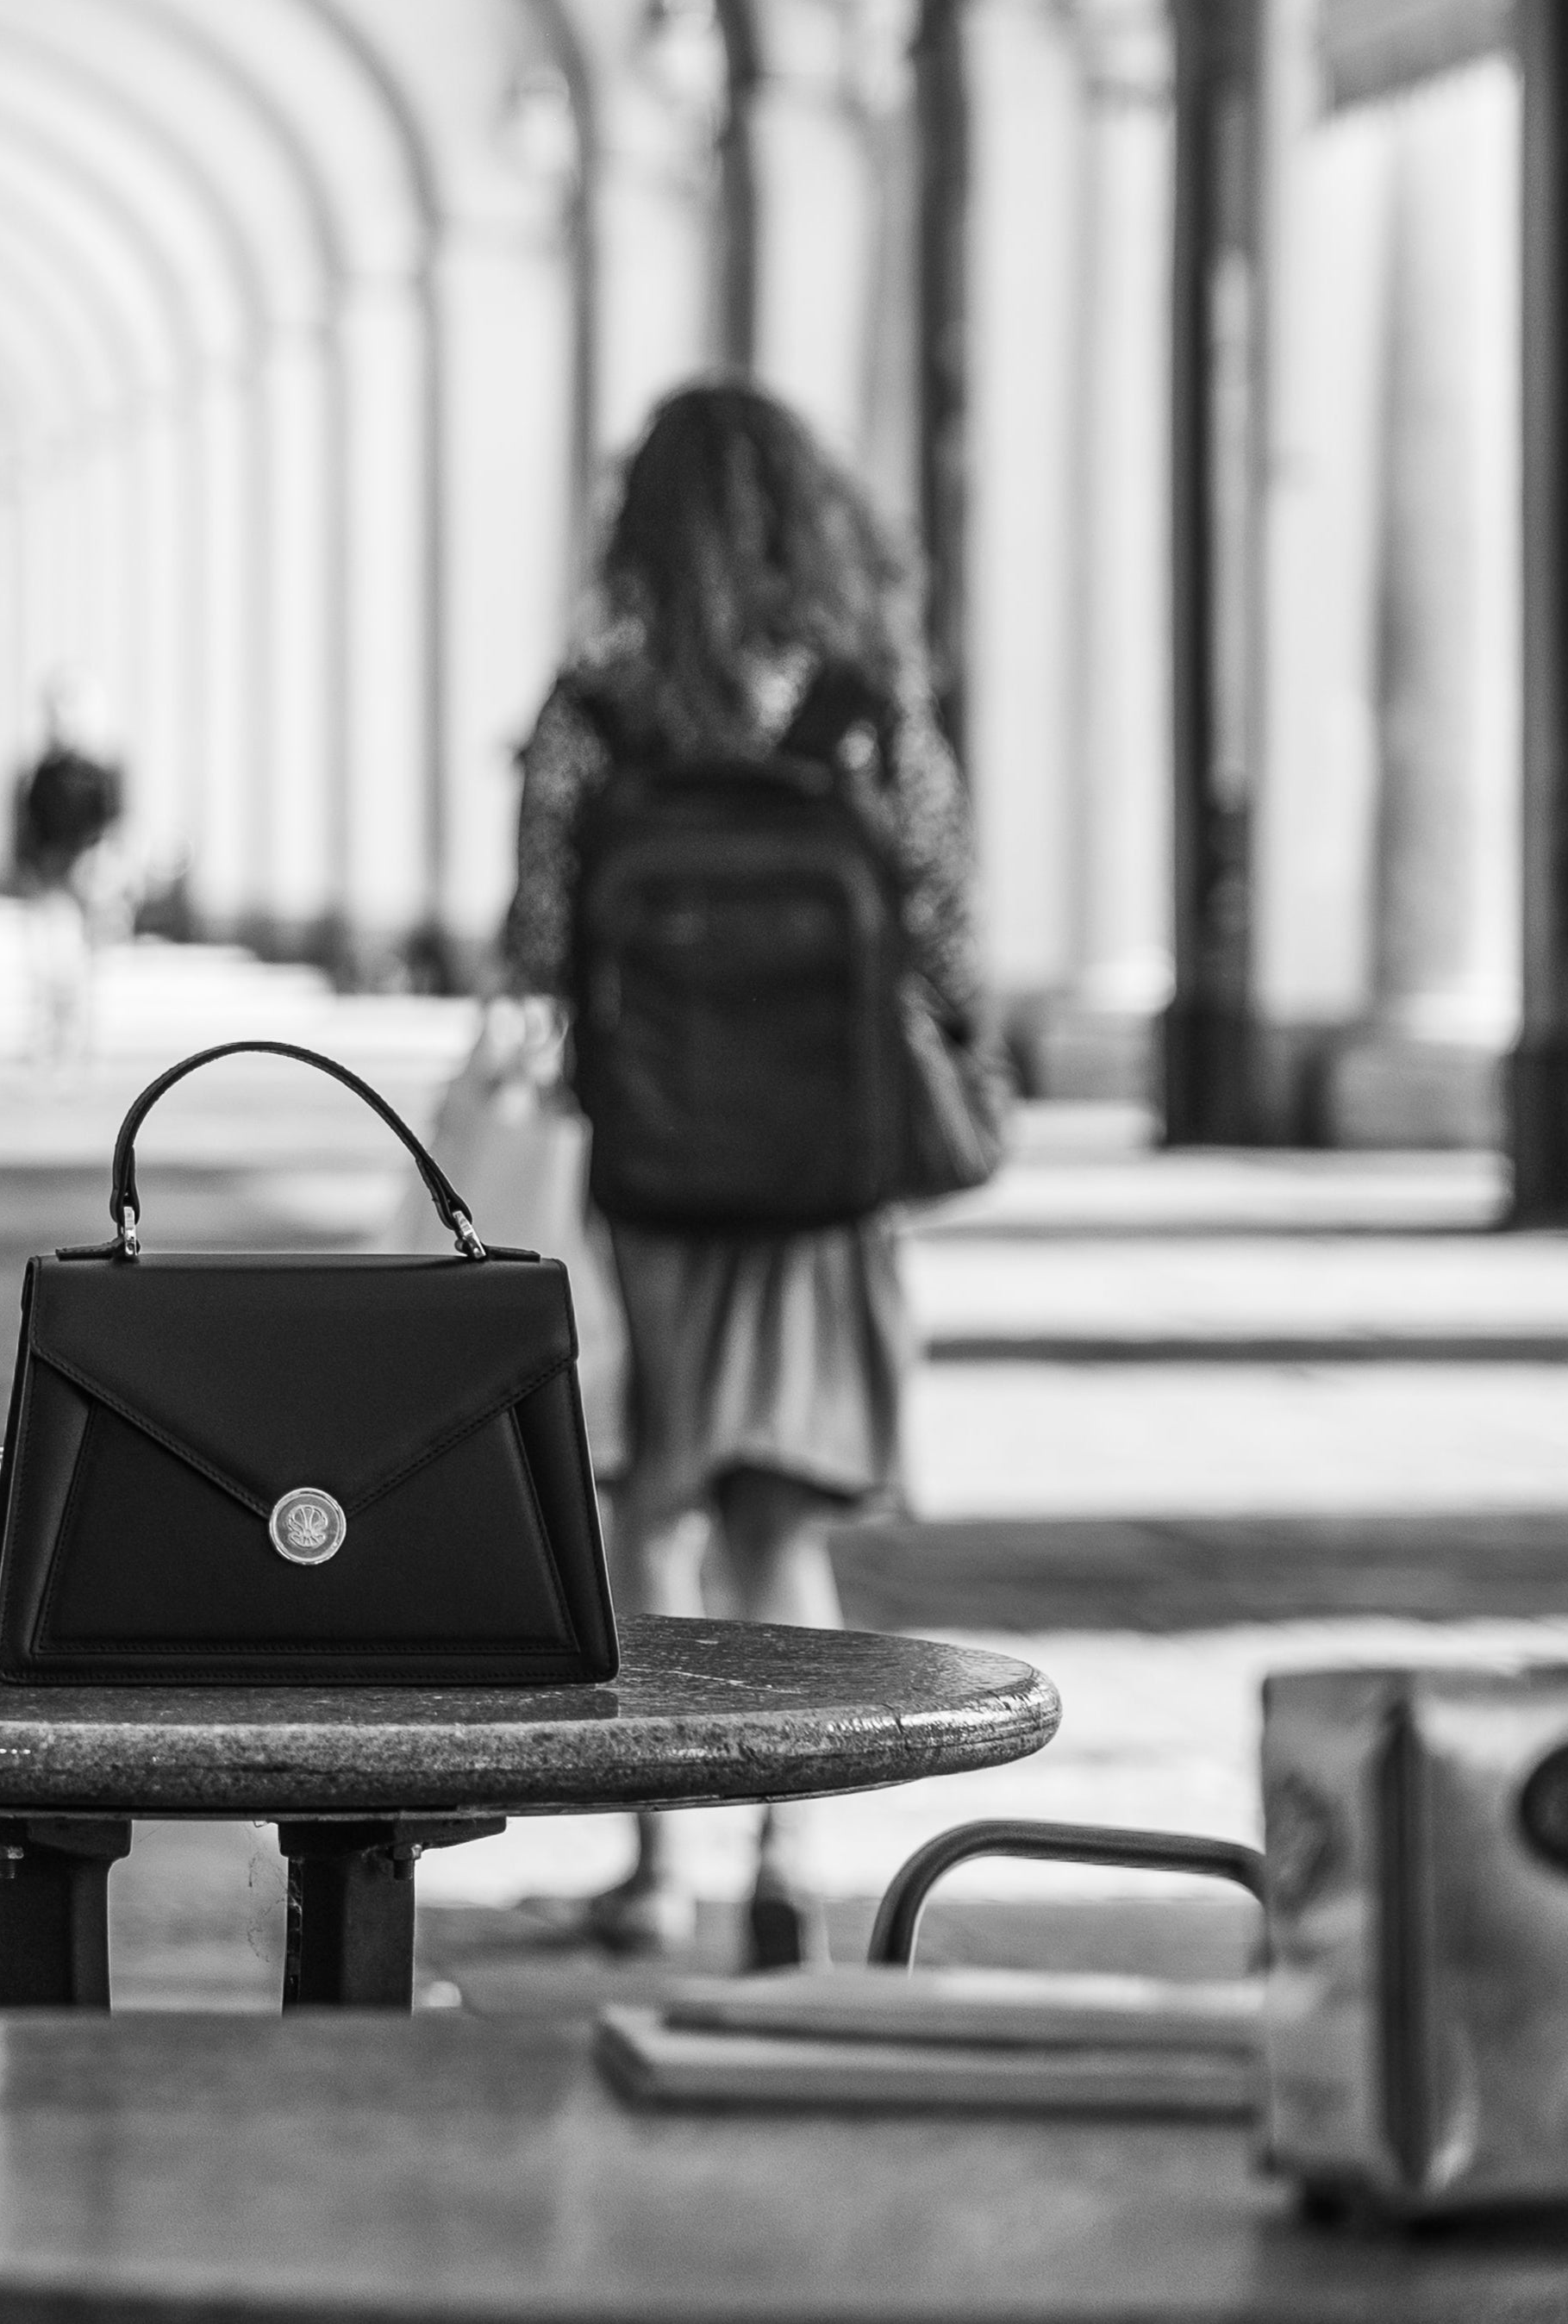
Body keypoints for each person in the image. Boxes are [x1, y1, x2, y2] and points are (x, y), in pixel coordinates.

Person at [499, 380, 979, 1969]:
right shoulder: (859, 703)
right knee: (783, 1514)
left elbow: (536, 930)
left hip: (657, 1154)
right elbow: (937, 910)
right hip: (826, 1163)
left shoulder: (600, 706)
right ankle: (791, 1847)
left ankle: (655, 1866)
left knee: (654, 1498)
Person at [10, 693, 121, 1068]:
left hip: (86, 882)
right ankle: (47, 1043)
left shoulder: (99, 773)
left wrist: (101, 870)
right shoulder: (38, 773)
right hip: (50, 879)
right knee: (49, 966)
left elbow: (111, 827)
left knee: (83, 971)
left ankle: (81, 1044)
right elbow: (25, 830)